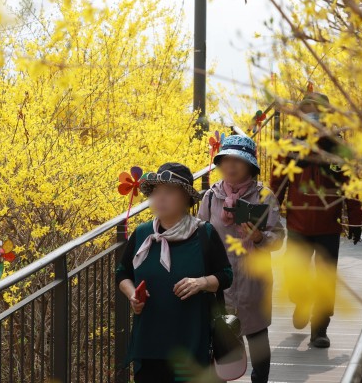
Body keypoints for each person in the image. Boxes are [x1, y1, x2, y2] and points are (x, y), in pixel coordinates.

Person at [115, 162, 233, 383]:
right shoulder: (142, 234)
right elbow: (122, 274)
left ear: (186, 198)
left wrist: (201, 283)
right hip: (149, 343)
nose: (160, 198)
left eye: (169, 192)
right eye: (156, 192)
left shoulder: (203, 233)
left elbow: (226, 275)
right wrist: (132, 295)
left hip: (190, 343)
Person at [270, 92, 362, 349]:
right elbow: (277, 183)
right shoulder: (289, 146)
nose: (313, 117)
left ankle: (320, 328)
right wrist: (269, 213)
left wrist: (355, 220)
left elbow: (351, 187)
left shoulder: (337, 149)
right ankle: (301, 300)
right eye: (307, 112)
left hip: (328, 226)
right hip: (297, 224)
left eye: (318, 112)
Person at [198, 135, 285, 383]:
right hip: (220, 281)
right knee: (222, 339)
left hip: (253, 280)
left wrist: (259, 238)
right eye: (226, 160)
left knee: (257, 336)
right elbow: (200, 235)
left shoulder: (264, 197)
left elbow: (278, 239)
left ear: (250, 166)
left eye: (238, 161)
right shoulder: (211, 197)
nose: (231, 166)